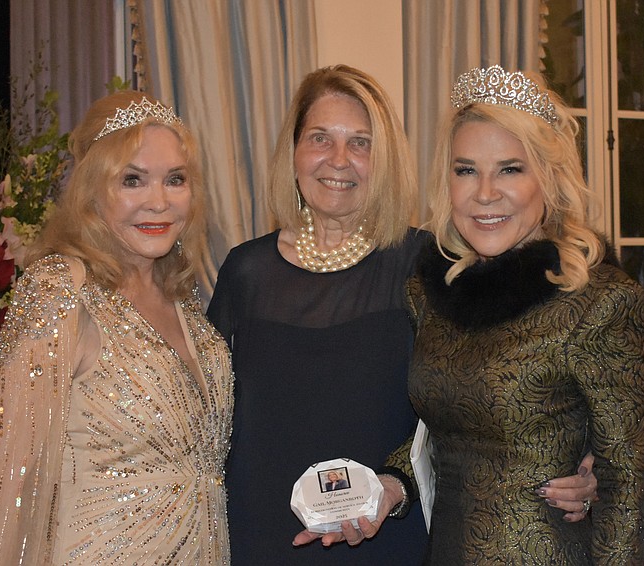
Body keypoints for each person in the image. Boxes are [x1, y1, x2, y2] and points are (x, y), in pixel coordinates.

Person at [207, 64, 597, 565]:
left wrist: (589, 466)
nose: (339, 160)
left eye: (361, 143)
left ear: (386, 158)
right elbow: (203, 416)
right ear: (294, 151)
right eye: (320, 138)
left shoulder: (429, 265)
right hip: (260, 535)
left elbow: (512, 374)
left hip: (386, 534)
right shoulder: (246, 270)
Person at [0, 91, 233, 564]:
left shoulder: (184, 302)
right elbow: (10, 488)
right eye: (132, 180)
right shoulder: (60, 289)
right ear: (92, 191)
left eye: (175, 179)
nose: (158, 202)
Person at [405, 64, 644, 563]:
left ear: (549, 178)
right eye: (466, 169)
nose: (485, 193)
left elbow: (625, 488)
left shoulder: (598, 301)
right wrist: (386, 485)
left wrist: (596, 484)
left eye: (510, 169)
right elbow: (436, 437)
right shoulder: (432, 293)